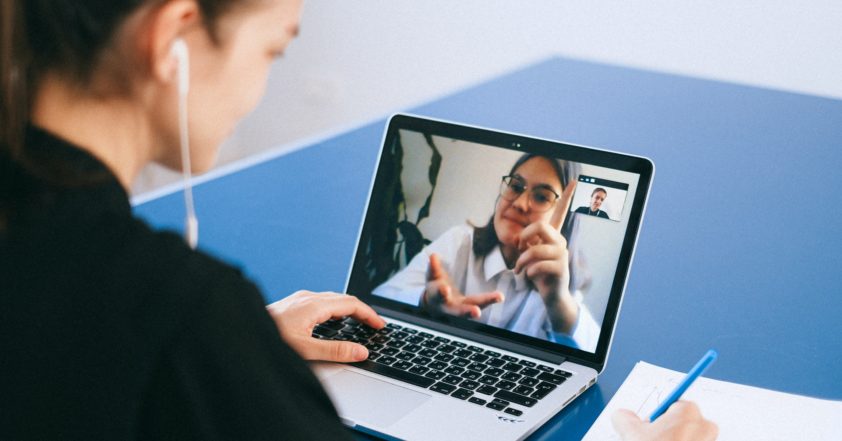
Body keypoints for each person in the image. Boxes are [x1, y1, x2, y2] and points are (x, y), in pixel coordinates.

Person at [0, 0, 717, 439]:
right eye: (273, 48)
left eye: (541, 195)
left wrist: (246, 344)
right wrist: (226, 345)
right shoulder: (182, 316)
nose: (263, 84)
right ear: (174, 38)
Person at [374, 154, 601, 351]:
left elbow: (591, 358)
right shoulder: (459, 242)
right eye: (515, 186)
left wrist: (558, 301)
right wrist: (425, 300)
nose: (520, 203)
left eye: (541, 196)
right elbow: (381, 297)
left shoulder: (559, 284)